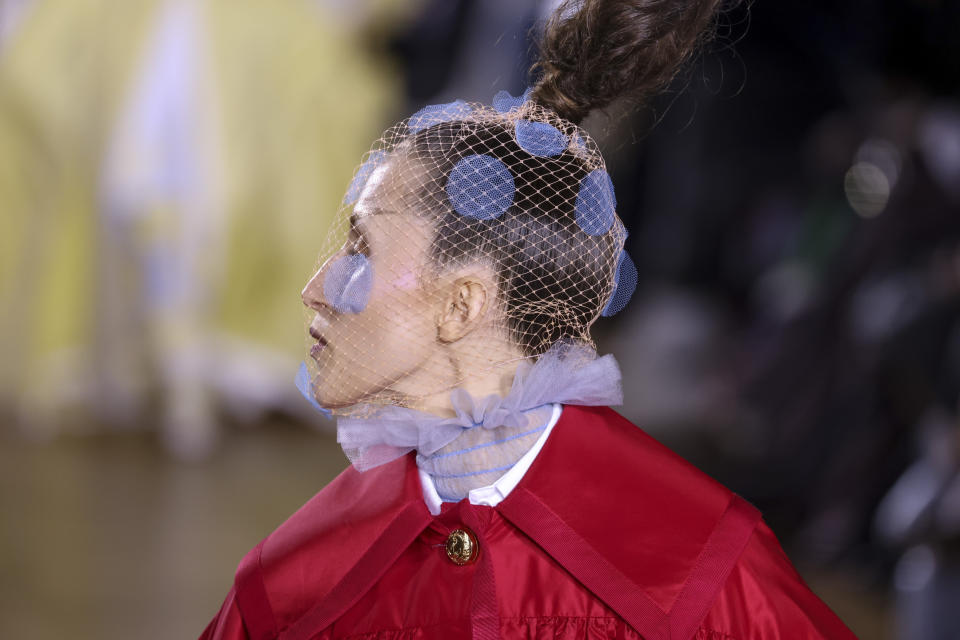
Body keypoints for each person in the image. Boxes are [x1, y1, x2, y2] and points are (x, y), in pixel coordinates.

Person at [200, 1, 857, 637]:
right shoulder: (286, 586)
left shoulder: (702, 569)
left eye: (363, 252)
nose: (317, 288)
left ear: (463, 304)